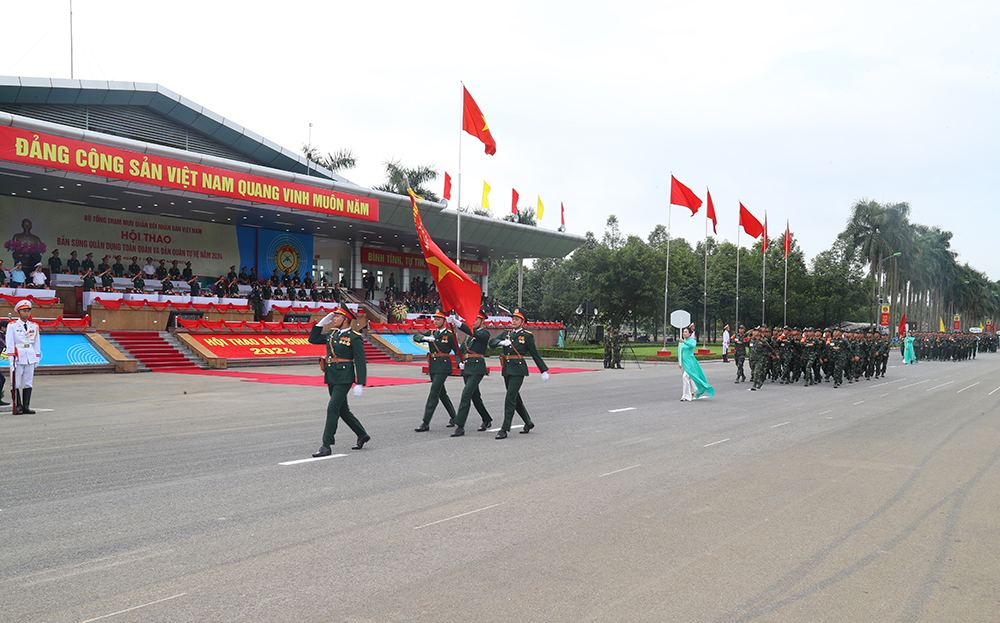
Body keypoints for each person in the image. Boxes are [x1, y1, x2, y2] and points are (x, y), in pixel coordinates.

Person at [307, 307, 370, 456]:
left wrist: (360, 382)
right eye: (333, 317)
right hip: (331, 375)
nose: (334, 319)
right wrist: (321, 322)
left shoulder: (354, 337)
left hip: (344, 376)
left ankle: (326, 445)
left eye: (337, 317)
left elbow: (360, 361)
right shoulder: (332, 334)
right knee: (343, 410)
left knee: (332, 408)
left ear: (345, 319)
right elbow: (313, 339)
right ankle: (362, 434)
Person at [488, 309, 549, 439]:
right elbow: (491, 343)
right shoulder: (506, 333)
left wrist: (543, 370)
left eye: (517, 319)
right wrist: (501, 342)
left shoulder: (527, 336)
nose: (514, 321)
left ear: (522, 321)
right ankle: (528, 422)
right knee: (516, 399)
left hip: (518, 370)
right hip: (507, 369)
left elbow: (535, 354)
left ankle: (505, 428)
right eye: (513, 319)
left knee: (510, 397)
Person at [448, 309, 494, 437]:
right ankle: (486, 419)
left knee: (466, 394)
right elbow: (460, 350)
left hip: (477, 369)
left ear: (482, 321)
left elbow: (475, 334)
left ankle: (460, 426)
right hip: (467, 368)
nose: (473, 322)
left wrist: (457, 323)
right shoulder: (469, 337)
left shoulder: (484, 333)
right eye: (472, 320)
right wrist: (459, 362)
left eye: (476, 320)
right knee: (475, 397)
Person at [412, 309, 459, 432]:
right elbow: (416, 337)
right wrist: (425, 338)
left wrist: (460, 363)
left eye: (438, 319)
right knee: (442, 394)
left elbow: (458, 351)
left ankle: (425, 422)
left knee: (434, 393)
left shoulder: (449, 335)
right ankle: (455, 417)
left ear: (444, 321)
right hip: (433, 366)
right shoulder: (432, 333)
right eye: (435, 319)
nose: (435, 321)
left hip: (443, 366)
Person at [7, 299, 41, 414]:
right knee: (16, 382)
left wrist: (37, 357)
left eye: (28, 311)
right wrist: (11, 359)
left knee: (28, 382)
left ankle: (26, 406)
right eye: (24, 311)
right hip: (18, 355)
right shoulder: (12, 326)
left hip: (30, 355)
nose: (26, 313)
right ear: (19, 312)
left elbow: (37, 343)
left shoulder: (34, 326)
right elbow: (10, 343)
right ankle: (18, 406)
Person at [679, 325, 714, 401]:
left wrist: (684, 341)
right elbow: (679, 352)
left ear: (690, 334)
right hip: (684, 363)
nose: (684, 333)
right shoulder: (681, 342)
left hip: (691, 362)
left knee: (685, 377)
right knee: (689, 378)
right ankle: (693, 391)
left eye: (685, 332)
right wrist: (679, 362)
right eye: (683, 332)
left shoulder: (692, 341)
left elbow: (692, 346)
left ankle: (686, 396)